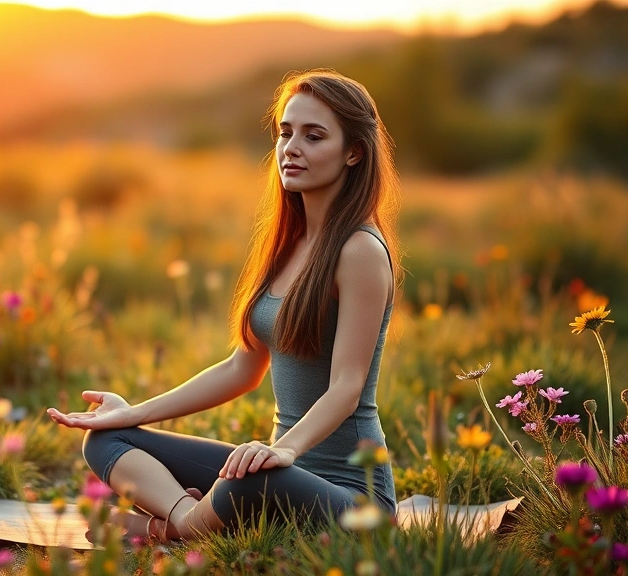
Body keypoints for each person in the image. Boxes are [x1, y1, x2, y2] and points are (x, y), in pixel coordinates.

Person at [48, 68, 401, 542]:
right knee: (107, 441)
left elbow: (347, 386)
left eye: (314, 136)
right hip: (278, 476)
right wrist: (131, 414)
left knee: (246, 477)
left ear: (353, 152)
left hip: (354, 499)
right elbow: (242, 368)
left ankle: (173, 529)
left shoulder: (359, 251)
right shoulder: (287, 244)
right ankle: (185, 518)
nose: (291, 148)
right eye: (285, 132)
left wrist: (286, 451)